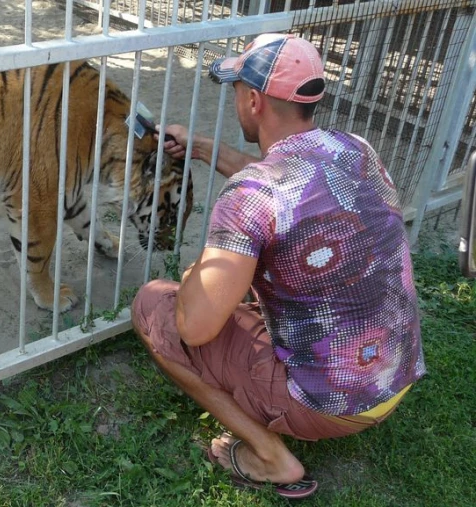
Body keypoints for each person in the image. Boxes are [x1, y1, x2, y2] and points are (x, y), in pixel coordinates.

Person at [131, 33, 425, 499]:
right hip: (393, 379)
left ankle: (269, 455)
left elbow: (194, 328)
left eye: (234, 91)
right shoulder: (356, 150)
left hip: (331, 406)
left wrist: (192, 280)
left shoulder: (251, 197)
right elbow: (292, 184)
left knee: (155, 305)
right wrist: (204, 148)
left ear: (253, 100)